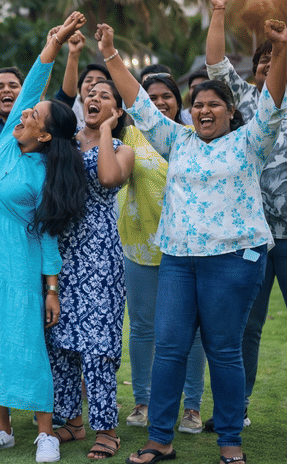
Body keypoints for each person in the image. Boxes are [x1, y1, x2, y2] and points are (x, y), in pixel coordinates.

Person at [95, 17, 287, 464]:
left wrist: (280, 52)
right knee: (170, 347)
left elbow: (273, 100)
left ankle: (230, 445)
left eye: (214, 105)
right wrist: (109, 53)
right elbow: (138, 101)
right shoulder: (176, 140)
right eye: (197, 104)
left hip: (233, 261)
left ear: (230, 112)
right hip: (179, 259)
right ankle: (160, 439)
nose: (204, 110)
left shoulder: (251, 141)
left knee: (224, 351)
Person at [0, 13, 88, 461]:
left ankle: (45, 433)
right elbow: (32, 85)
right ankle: (2, 429)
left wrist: (51, 289)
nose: (25, 112)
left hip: (20, 267)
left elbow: (47, 235)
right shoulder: (9, 141)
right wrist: (53, 43)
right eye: (27, 112)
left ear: (45, 133)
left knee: (25, 346)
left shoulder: (44, 171)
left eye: (33, 115)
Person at [204, 0, 287, 433]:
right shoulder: (248, 105)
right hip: (252, 238)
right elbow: (216, 63)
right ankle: (237, 407)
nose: (269, 64)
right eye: (263, 59)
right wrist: (218, 12)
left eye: (277, 59)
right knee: (245, 329)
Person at [47, 74, 135, 459]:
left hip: (100, 256)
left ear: (117, 107)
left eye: (104, 95)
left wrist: (106, 130)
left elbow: (108, 177)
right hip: (61, 255)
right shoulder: (61, 143)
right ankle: (72, 422)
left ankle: (106, 428)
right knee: (61, 340)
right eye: (90, 94)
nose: (94, 97)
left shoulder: (121, 147)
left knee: (98, 344)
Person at [119, 74, 208, 435]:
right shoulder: (127, 135)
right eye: (151, 96)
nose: (158, 102)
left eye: (166, 96)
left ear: (178, 100)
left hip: (188, 246)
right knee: (142, 328)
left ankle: (192, 407)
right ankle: (143, 402)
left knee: (193, 330)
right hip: (139, 243)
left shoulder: (192, 136)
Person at [55, 30, 111, 124]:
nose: (93, 83)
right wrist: (74, 54)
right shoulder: (67, 109)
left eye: (100, 81)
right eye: (88, 80)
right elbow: (66, 96)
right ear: (79, 89)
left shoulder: (119, 131)